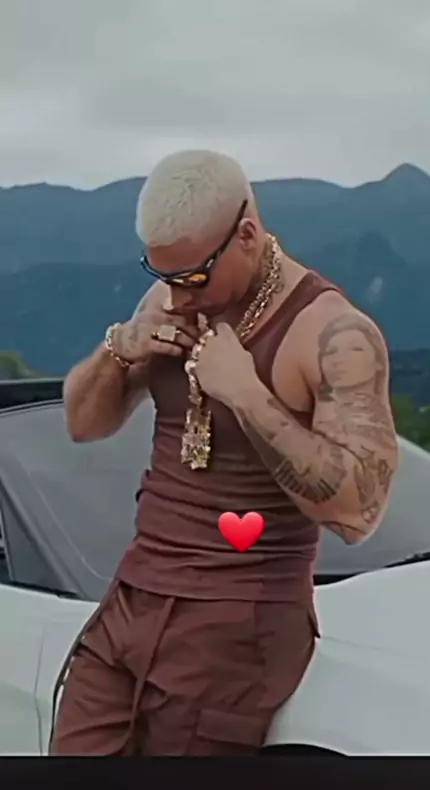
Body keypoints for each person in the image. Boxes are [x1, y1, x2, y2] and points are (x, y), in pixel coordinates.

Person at [50, 149, 399, 756]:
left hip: (238, 624)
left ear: (247, 235)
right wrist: (121, 349)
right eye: (163, 276)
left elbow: (358, 511)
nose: (177, 296)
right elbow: (82, 424)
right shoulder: (168, 297)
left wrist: (246, 394)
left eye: (193, 278)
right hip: (135, 596)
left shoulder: (331, 333)